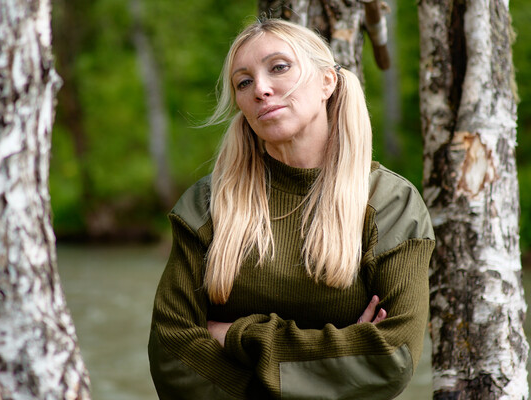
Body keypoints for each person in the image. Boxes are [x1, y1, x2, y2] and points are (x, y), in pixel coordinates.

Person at [148, 18, 434, 399]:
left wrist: (235, 335)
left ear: (327, 82)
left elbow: (391, 357)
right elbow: (170, 351)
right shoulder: (207, 204)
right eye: (243, 82)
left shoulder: (391, 204)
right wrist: (335, 357)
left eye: (279, 67)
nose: (260, 89)